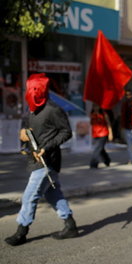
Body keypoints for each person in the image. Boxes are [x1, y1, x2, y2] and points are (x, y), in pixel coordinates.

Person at [4, 73, 79, 246]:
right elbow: (29, 129)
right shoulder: (31, 108)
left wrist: (47, 147)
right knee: (53, 193)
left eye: (36, 89)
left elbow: (66, 132)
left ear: (43, 90)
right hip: (34, 157)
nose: (33, 92)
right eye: (31, 89)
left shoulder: (53, 109)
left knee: (29, 196)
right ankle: (70, 225)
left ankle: (21, 231)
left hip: (47, 161)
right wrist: (22, 134)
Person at [89, 104, 113, 168]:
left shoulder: (104, 114)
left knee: (97, 148)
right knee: (101, 149)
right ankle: (107, 160)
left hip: (103, 133)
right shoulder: (92, 114)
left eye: (97, 106)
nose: (95, 107)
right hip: (95, 134)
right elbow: (91, 124)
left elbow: (108, 123)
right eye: (94, 106)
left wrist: (110, 133)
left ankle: (94, 163)